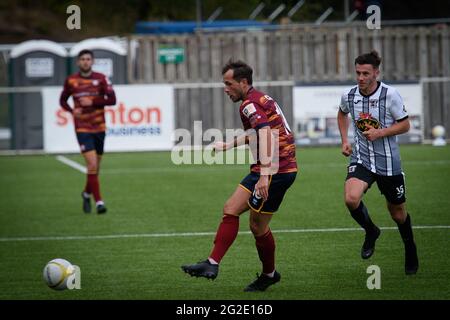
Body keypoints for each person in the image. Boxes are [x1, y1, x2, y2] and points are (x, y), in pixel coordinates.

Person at [181, 60, 297, 292]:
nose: (225, 88)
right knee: (231, 209)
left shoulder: (249, 105)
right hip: (267, 168)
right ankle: (212, 264)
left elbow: (264, 134)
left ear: (243, 83)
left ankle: (269, 274)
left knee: (258, 227)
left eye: (228, 84)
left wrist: (265, 176)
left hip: (276, 170)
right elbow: (258, 133)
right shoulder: (258, 99)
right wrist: (229, 145)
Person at [337, 50, 419, 275]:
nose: (361, 78)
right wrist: (345, 140)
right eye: (358, 73)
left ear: (376, 73)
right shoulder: (349, 95)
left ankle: (410, 247)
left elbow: (405, 125)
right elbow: (342, 114)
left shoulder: (390, 95)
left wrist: (381, 132)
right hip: (361, 159)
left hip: (388, 163)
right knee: (351, 198)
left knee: (398, 214)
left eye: (366, 73)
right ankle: (371, 231)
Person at [60, 49, 116, 214]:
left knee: (95, 168)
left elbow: (112, 100)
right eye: (82, 59)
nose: (85, 62)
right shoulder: (71, 80)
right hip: (82, 127)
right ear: (78, 62)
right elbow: (62, 100)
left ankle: (86, 194)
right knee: (91, 164)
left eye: (88, 59)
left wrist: (93, 100)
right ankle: (99, 202)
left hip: (99, 127)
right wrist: (71, 111)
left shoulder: (101, 79)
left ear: (92, 61)